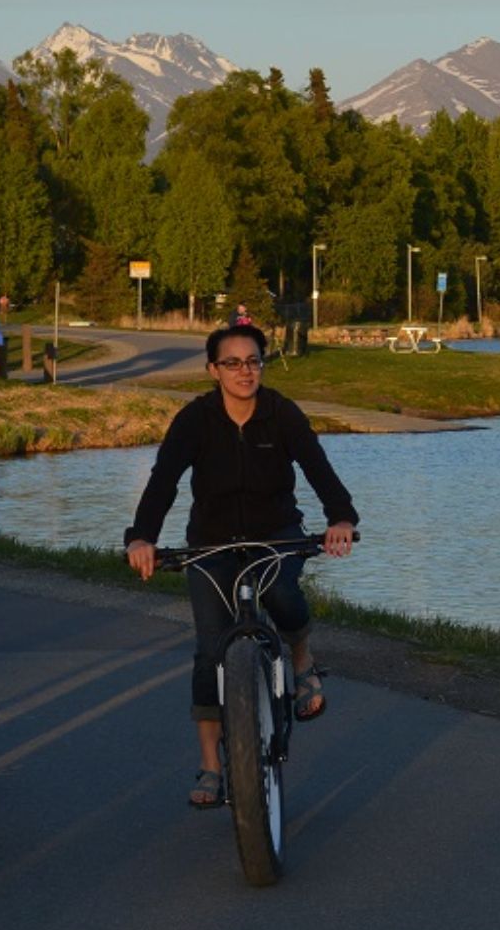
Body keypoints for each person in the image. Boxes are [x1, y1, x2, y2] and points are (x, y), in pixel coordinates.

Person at [124, 323, 358, 809]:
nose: (244, 371)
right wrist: (142, 536)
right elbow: (164, 480)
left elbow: (318, 468)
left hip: (275, 533)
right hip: (211, 543)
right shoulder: (195, 420)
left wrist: (340, 518)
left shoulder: (281, 413)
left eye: (253, 361)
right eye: (232, 363)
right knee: (210, 649)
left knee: (282, 596)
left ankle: (301, 660)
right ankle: (212, 765)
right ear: (213, 370)